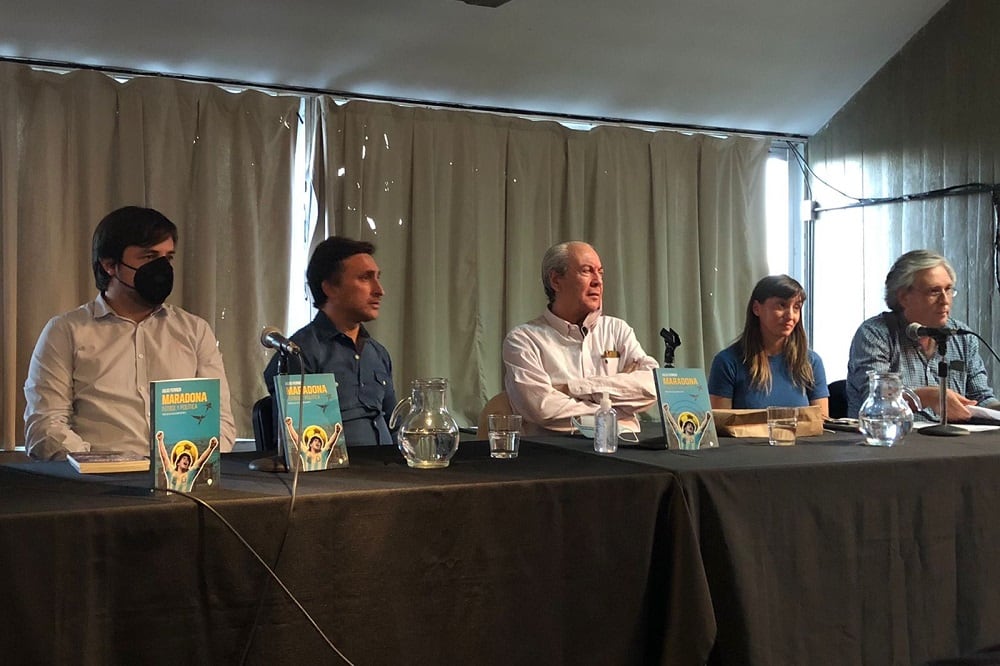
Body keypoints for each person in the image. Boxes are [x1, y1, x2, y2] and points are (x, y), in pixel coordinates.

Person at [24, 206, 236, 460]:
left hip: (183, 480)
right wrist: (98, 467)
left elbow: (220, 422)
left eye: (168, 258)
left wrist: (190, 463)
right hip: (97, 489)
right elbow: (45, 426)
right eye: (149, 257)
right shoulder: (66, 331)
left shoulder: (195, 330)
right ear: (110, 265)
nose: (162, 268)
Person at [502, 241, 659, 435]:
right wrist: (615, 413)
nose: (598, 281)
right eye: (587, 271)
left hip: (621, 452)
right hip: (554, 458)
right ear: (556, 281)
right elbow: (543, 408)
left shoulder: (617, 330)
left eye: (600, 272)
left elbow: (653, 385)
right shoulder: (523, 340)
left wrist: (574, 388)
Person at [263, 236, 396, 445]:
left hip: (391, 471)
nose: (380, 290)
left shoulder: (378, 353)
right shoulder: (299, 353)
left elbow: (394, 425)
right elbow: (302, 447)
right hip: (337, 475)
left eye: (378, 277)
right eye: (365, 278)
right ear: (331, 288)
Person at [846, 249, 1000, 419]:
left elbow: (981, 398)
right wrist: (927, 396)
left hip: (954, 442)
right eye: (934, 291)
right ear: (904, 297)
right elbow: (877, 401)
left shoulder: (963, 336)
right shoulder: (875, 334)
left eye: (948, 290)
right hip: (891, 439)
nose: (945, 300)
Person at [708, 274, 829, 415]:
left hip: (801, 438)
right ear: (756, 308)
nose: (790, 315)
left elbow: (821, 425)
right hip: (748, 438)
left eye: (796, 307)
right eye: (781, 305)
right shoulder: (727, 362)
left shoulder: (811, 362)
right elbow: (720, 428)